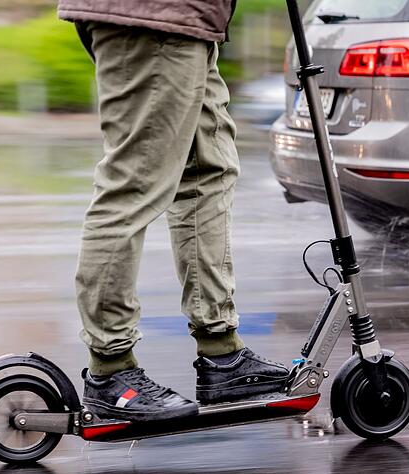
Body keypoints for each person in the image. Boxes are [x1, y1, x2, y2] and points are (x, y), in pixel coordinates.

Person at [57, 0, 289, 422]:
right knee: (134, 183)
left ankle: (221, 352)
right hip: (154, 15)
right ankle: (111, 368)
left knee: (208, 172)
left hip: (191, 19)